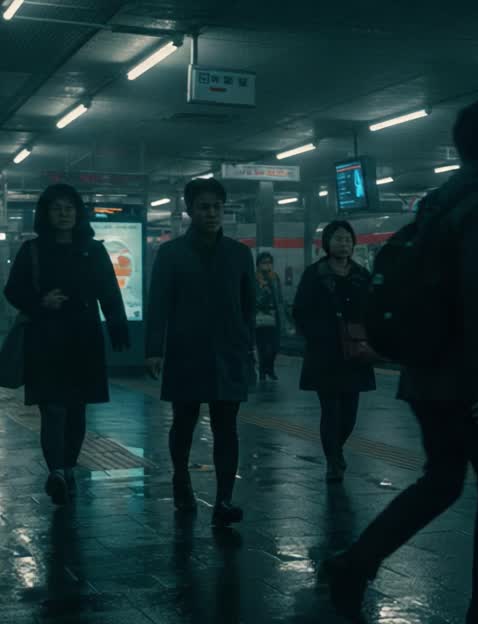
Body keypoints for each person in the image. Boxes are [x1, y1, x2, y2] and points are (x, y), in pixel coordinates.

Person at [323, 98, 478, 624]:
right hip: (472, 378)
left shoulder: (439, 202)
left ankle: (354, 565)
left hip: (427, 374)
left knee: (442, 482)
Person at [2, 184, 129, 505]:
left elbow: (109, 290)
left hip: (83, 340)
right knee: (53, 408)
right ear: (45, 214)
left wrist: (117, 325)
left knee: (76, 410)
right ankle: (57, 471)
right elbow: (13, 290)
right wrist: (40, 302)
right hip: (45, 340)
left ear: (78, 213)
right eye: (56, 208)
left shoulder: (93, 250)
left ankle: (67, 468)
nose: (63, 214)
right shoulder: (32, 250)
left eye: (69, 208)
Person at [145, 178, 255, 527]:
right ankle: (181, 478)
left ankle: (224, 499)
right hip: (186, 349)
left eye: (217, 207)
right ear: (190, 211)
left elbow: (249, 306)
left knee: (227, 427)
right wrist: (153, 350)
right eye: (204, 207)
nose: (211, 213)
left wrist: (247, 346)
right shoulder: (171, 253)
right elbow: (158, 304)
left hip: (228, 351)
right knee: (184, 420)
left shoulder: (239, 254)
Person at [292, 220, 376, 483]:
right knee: (331, 411)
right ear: (327, 243)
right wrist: (316, 335)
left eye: (348, 239)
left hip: (355, 353)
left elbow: (373, 308)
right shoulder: (314, 274)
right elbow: (300, 310)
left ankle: (335, 450)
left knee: (349, 415)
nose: (344, 244)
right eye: (339, 239)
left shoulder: (362, 275)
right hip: (325, 353)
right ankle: (333, 461)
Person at [253, 251, 284, 384]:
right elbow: (254, 298)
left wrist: (283, 314)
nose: (267, 265)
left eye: (269, 262)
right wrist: (263, 293)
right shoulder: (254, 278)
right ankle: (263, 371)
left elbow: (279, 297)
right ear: (258, 265)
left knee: (275, 346)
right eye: (264, 263)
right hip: (260, 317)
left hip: (274, 316)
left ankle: (269, 368)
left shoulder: (275, 277)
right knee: (262, 347)